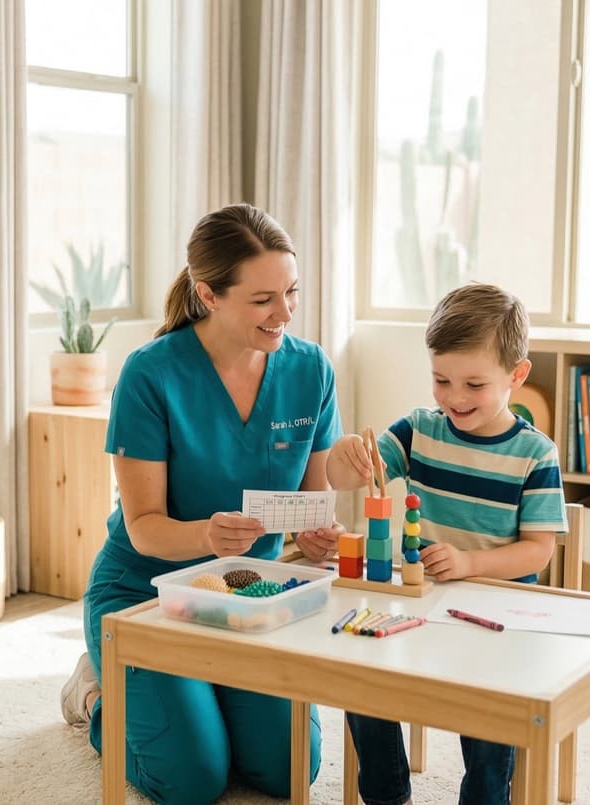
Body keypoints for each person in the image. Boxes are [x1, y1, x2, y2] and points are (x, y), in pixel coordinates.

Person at [59, 203, 345, 803]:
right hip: (146, 596)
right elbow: (142, 527)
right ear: (209, 294)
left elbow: (312, 499)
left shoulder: (310, 369)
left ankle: (200, 694)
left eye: (292, 291)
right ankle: (95, 694)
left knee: (289, 768)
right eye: (263, 298)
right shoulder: (150, 374)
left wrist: (319, 533)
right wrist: (205, 538)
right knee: (190, 780)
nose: (285, 312)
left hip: (251, 594)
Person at [326, 282, 567, 805]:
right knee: (360, 684)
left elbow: (538, 551)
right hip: (418, 604)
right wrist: (345, 455)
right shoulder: (418, 431)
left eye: (474, 384)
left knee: (489, 723)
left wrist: (469, 562)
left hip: (499, 620)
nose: (455, 397)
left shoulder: (535, 454)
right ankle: (388, 795)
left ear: (516, 376)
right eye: (441, 380)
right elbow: (347, 477)